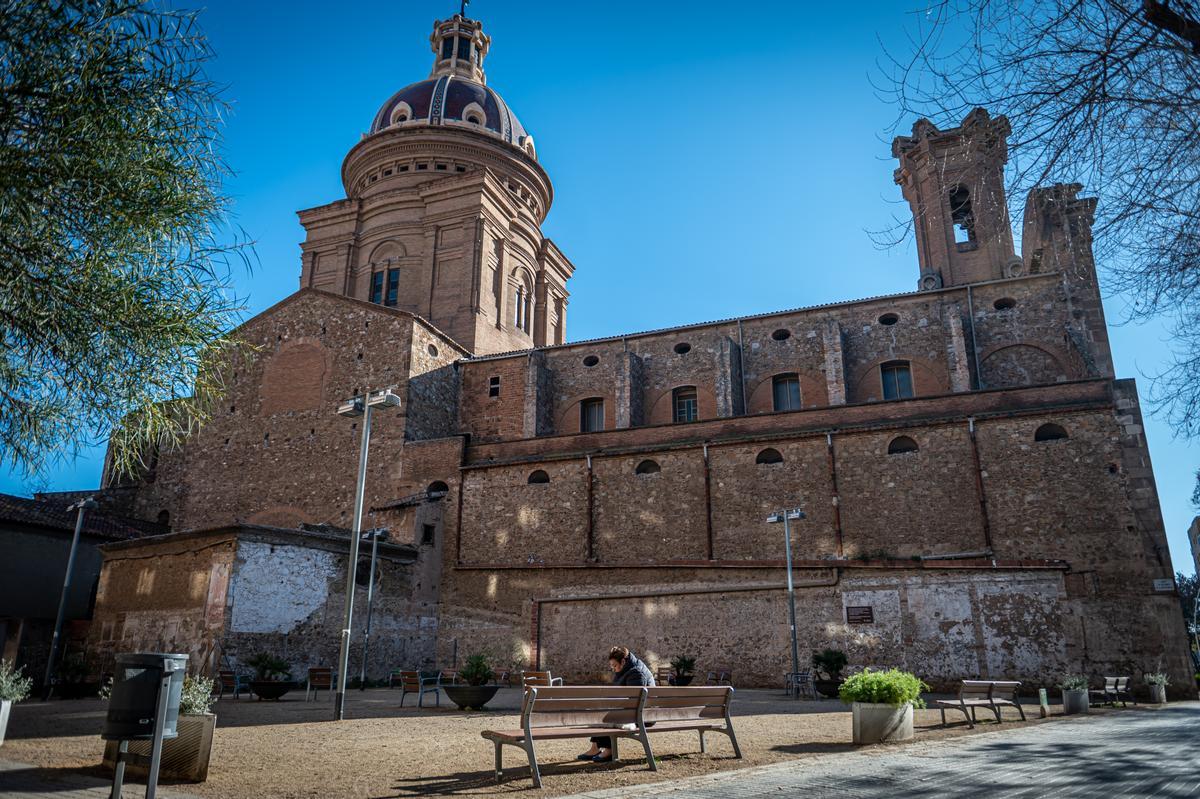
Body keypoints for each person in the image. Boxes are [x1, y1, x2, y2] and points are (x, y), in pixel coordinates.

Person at [577, 645, 655, 763]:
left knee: (606, 716)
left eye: (615, 666)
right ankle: (595, 748)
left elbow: (634, 701)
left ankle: (608, 750)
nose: (613, 669)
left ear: (623, 661)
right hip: (634, 711)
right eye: (612, 666)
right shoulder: (627, 669)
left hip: (642, 715)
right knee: (603, 713)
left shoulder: (637, 673)